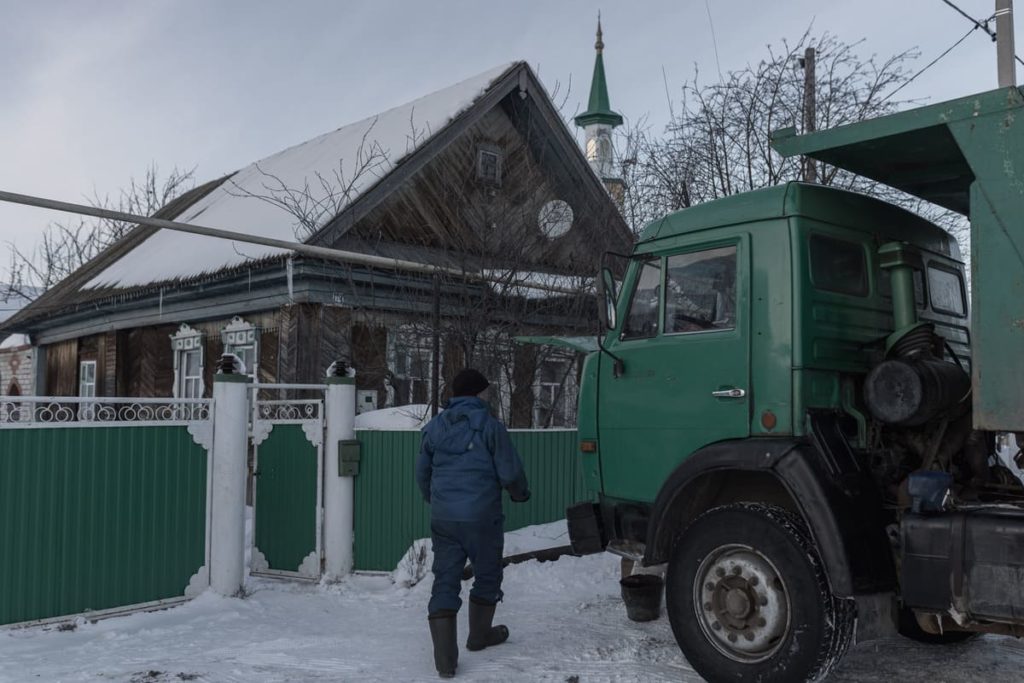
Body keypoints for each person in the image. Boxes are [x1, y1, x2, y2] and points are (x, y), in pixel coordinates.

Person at [415, 368, 530, 679]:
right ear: (479, 394)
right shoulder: (491, 428)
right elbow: (510, 473)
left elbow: (422, 475)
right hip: (482, 517)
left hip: (444, 518)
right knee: (487, 574)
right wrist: (520, 494)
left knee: (445, 580)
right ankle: (478, 637)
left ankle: (445, 662)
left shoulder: (434, 428)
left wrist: (437, 501)